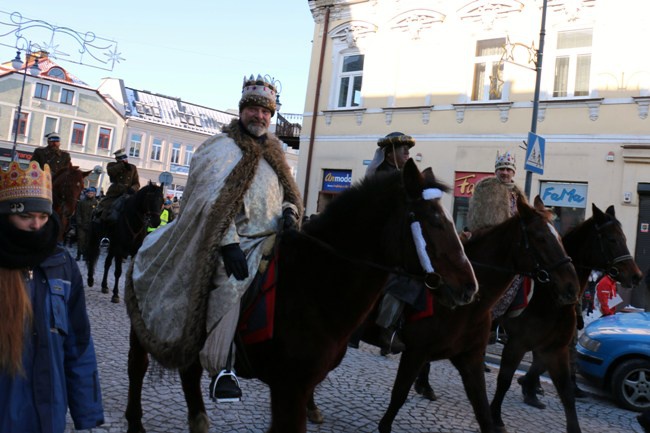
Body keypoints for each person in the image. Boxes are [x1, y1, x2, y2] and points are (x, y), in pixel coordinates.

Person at [130, 74, 303, 403]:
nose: (260, 117)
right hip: (234, 240)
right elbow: (208, 201)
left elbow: (288, 194)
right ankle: (222, 367)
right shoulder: (218, 149)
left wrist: (291, 212)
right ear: (242, 110)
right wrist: (229, 243)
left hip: (275, 237)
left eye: (267, 112)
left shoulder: (276, 153)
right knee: (230, 282)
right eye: (254, 109)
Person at [0, 161, 104, 432]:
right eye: (26, 217)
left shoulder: (63, 264)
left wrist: (87, 411)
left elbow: (79, 343)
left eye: (43, 217)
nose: (36, 225)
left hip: (48, 411)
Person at [363, 132, 418, 353]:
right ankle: (386, 330)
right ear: (388, 153)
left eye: (408, 149)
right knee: (400, 279)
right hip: (380, 240)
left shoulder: (406, 176)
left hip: (402, 238)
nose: (407, 153)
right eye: (402, 148)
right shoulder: (380, 176)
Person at [96, 148, 140, 223]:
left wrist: (133, 189)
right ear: (118, 159)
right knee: (104, 207)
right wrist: (122, 164)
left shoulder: (132, 168)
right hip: (115, 193)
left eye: (126, 157)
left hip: (128, 193)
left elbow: (137, 183)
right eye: (122, 158)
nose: (125, 160)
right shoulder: (111, 165)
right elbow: (111, 172)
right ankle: (100, 223)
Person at [75, 186, 98, 260]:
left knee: (87, 241)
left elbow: (97, 214)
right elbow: (78, 213)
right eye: (89, 193)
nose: (90, 194)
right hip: (81, 224)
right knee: (80, 239)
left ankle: (85, 255)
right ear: (87, 193)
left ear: (94, 194)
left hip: (90, 225)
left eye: (92, 193)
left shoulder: (96, 202)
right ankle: (78, 254)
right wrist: (79, 222)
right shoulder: (81, 202)